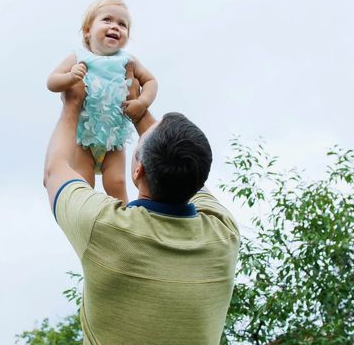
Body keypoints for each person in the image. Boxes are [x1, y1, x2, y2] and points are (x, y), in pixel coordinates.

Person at [43, 63, 240, 344]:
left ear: (138, 171)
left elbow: (55, 170)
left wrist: (72, 104)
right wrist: (139, 112)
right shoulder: (223, 234)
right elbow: (189, 172)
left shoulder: (104, 227)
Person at [47, 0, 157, 204]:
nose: (115, 26)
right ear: (88, 31)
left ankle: (123, 216)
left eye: (122, 24)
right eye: (107, 20)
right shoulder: (79, 57)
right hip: (84, 138)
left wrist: (142, 102)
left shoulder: (127, 60)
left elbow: (151, 81)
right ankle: (86, 212)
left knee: (116, 183)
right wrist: (70, 77)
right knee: (83, 181)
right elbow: (52, 81)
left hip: (113, 140)